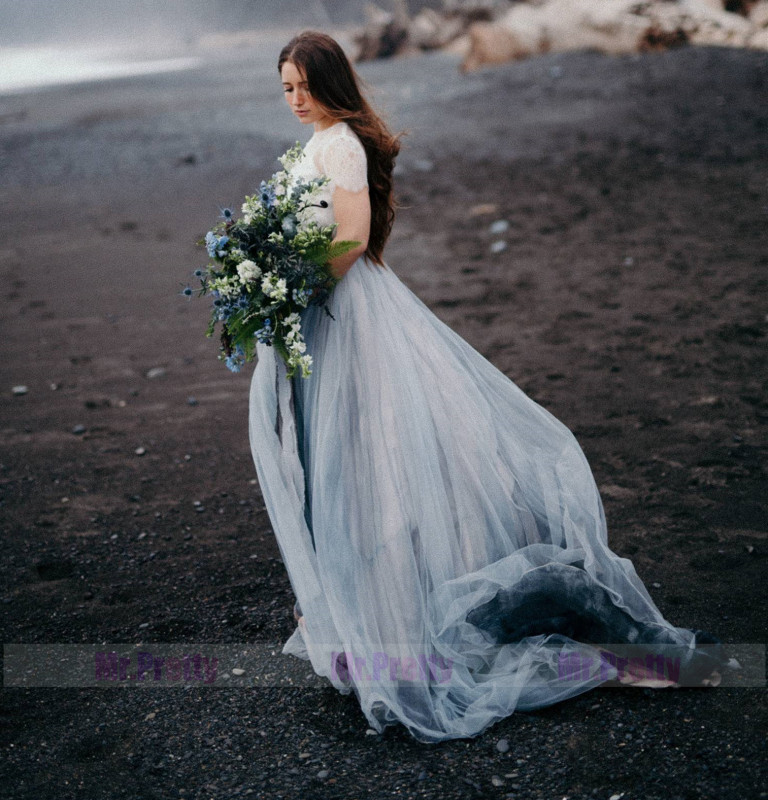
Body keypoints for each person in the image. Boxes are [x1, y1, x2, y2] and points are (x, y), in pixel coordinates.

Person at [247, 30, 728, 743]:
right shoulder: (313, 146)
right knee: (330, 458)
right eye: (283, 87)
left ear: (330, 83)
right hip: (321, 318)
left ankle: (394, 606)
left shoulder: (341, 143)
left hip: (346, 316)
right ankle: (348, 611)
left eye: (302, 85)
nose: (293, 99)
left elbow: (350, 237)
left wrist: (291, 289)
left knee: (370, 457)